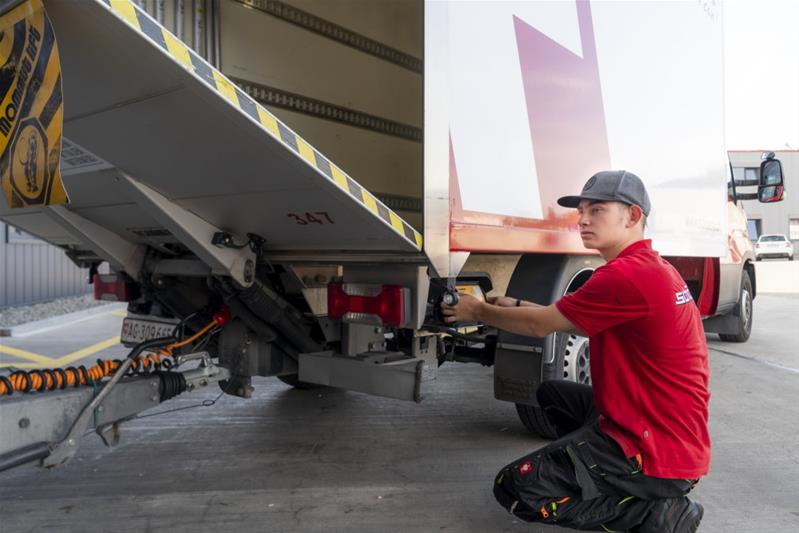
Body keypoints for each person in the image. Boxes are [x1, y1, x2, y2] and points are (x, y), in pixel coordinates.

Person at [441, 170, 709, 532]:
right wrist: (514, 302)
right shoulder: (652, 268)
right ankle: (596, 475)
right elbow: (576, 321)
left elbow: (540, 326)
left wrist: (478, 311)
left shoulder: (624, 276)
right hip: (671, 437)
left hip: (656, 456)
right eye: (581, 210)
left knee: (517, 488)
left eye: (596, 210)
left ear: (632, 216)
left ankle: (655, 514)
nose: (582, 219)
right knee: (552, 393)